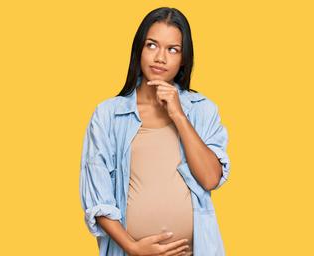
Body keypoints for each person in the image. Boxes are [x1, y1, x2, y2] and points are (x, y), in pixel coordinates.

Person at [79, 7, 231, 256]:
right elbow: (96, 196)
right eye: (152, 45)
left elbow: (210, 178)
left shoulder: (203, 111)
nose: (160, 57)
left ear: (183, 58)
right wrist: (133, 247)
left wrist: (179, 115)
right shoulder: (107, 115)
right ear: (139, 49)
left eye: (173, 49)